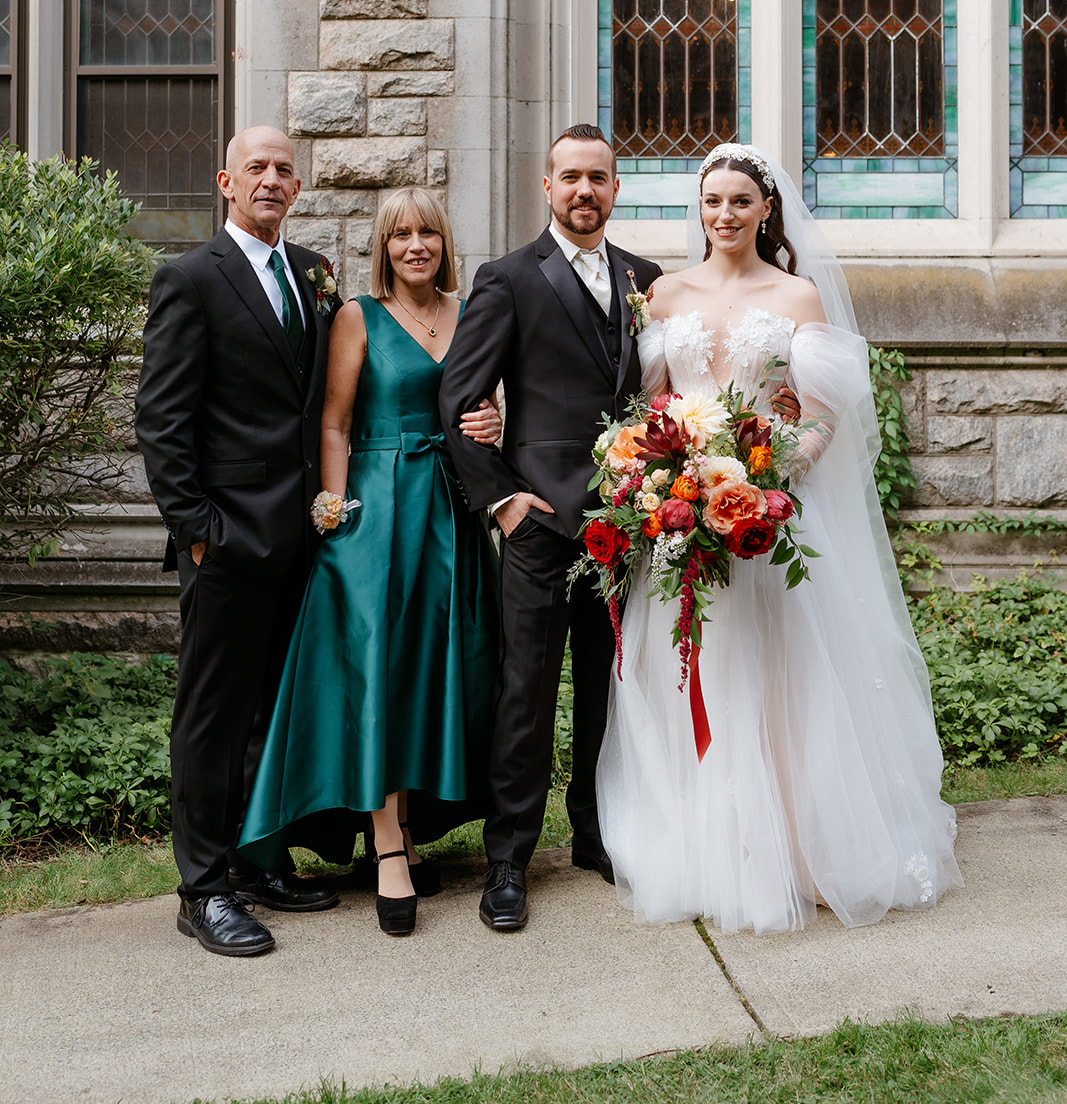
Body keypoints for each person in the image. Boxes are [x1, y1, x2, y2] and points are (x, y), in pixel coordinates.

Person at [596, 143, 963, 934]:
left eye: (738, 201)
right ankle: (712, 847)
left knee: (783, 679)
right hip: (685, 522)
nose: (723, 214)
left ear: (767, 210)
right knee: (698, 675)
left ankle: (802, 848)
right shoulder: (662, 293)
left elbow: (824, 409)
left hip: (766, 518)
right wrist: (660, 478)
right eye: (711, 201)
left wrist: (775, 475)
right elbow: (648, 409)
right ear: (696, 211)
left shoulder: (796, 296)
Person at [237, 187, 502, 937]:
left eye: (425, 232)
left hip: (451, 511)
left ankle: (412, 825)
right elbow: (334, 420)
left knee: (429, 668)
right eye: (398, 236)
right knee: (378, 668)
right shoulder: (356, 315)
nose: (413, 245)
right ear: (382, 249)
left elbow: (481, 406)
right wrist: (332, 509)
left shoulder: (469, 312)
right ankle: (385, 841)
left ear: (443, 241)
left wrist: (493, 421)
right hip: (375, 511)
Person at [439, 123, 662, 932]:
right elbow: (459, 398)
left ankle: (596, 837)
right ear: (546, 186)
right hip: (537, 529)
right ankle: (508, 860)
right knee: (525, 697)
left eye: (597, 178)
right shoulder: (507, 278)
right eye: (569, 177)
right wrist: (500, 500)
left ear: (614, 187)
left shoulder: (645, 278)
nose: (583, 191)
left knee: (610, 692)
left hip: (624, 529)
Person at [134, 126, 342, 957]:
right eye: (255, 167)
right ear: (225, 181)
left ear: (297, 187)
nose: (270, 179)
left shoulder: (312, 273)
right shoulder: (190, 279)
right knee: (213, 718)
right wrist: (196, 533)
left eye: (283, 169)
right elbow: (161, 418)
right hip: (226, 542)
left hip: (301, 539)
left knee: (270, 710)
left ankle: (257, 861)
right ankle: (204, 888)